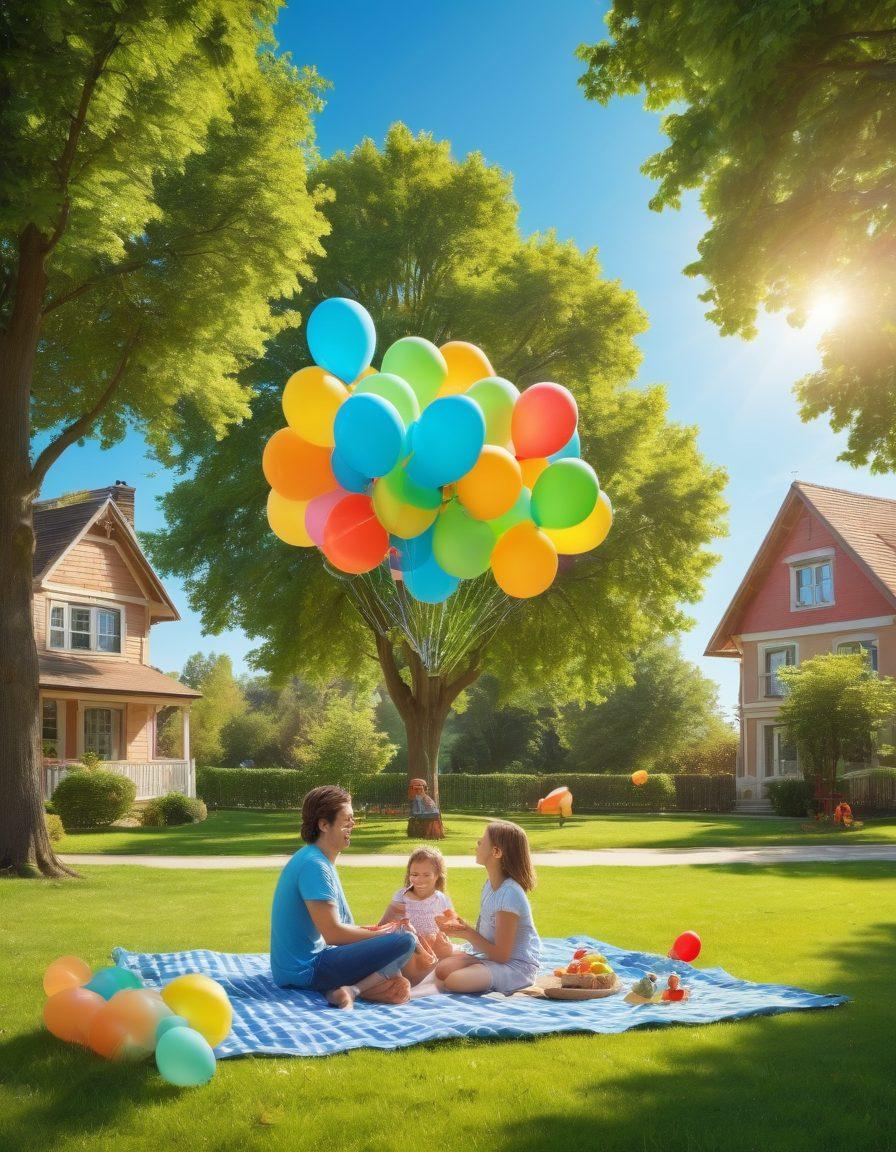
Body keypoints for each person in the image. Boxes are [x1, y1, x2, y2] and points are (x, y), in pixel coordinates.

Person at [270, 785, 418, 1009]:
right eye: (347, 820)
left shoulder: (319, 860)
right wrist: (390, 933)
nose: (353, 825)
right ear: (324, 825)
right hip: (305, 970)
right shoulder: (314, 866)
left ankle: (346, 989)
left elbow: (344, 929)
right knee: (406, 940)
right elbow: (334, 934)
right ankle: (354, 989)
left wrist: (382, 929)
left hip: (306, 964)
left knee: (399, 976)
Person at [434, 820, 540, 995]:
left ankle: (488, 976)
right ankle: (477, 970)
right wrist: (461, 928)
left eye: (482, 841)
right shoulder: (490, 886)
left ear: (496, 852)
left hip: (515, 967)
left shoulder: (509, 894)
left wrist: (467, 933)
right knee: (442, 969)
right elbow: (486, 937)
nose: (477, 843)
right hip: (492, 959)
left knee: (454, 980)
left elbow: (501, 956)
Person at [378, 846, 455, 979]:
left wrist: (445, 941)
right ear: (409, 875)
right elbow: (382, 925)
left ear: (437, 876)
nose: (419, 880)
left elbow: (451, 927)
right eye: (415, 875)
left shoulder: (441, 899)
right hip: (408, 950)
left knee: (447, 956)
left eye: (426, 875)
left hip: (432, 951)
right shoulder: (401, 897)